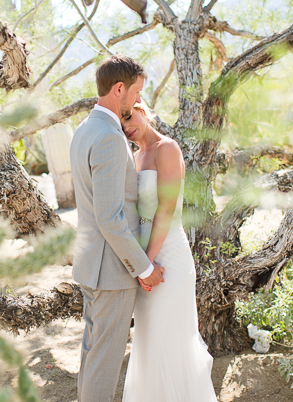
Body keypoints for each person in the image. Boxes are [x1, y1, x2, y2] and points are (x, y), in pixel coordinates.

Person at [70, 54, 165, 402]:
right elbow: (110, 217)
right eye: (136, 93)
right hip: (110, 271)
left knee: (93, 356)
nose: (138, 101)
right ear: (119, 88)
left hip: (92, 266)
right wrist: (145, 266)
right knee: (104, 362)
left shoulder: (85, 129)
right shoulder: (109, 136)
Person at [120, 101, 217, 402]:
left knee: (171, 336)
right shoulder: (134, 157)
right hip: (143, 260)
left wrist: (146, 262)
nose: (127, 127)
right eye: (121, 124)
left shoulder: (167, 148)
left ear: (142, 109)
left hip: (170, 256)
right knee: (149, 340)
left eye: (129, 116)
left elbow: (166, 207)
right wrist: (138, 263)